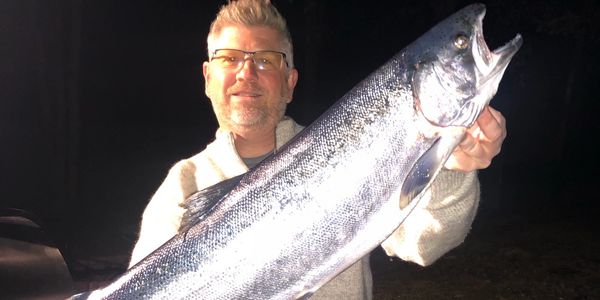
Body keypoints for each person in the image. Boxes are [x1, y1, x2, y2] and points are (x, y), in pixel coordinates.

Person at [129, 0, 507, 299]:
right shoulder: (182, 185)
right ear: (209, 79)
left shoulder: (356, 146)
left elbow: (425, 244)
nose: (247, 73)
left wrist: (454, 167)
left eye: (265, 60)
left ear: (290, 83)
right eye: (229, 59)